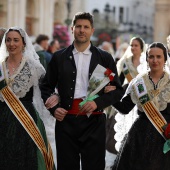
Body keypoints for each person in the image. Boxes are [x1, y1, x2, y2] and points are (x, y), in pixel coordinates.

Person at [40, 12, 123, 170]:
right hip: (66, 122)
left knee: (94, 166)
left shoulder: (105, 58)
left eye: (86, 27)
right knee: (66, 166)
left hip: (94, 121)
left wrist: (97, 103)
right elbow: (45, 87)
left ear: (92, 30)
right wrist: (54, 109)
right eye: (78, 26)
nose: (81, 30)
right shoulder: (59, 57)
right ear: (72, 29)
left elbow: (117, 91)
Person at [0, 26, 56, 170]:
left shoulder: (34, 67)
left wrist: (55, 98)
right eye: (8, 40)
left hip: (26, 120)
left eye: (16, 40)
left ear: (24, 43)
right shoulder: (0, 66)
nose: (11, 44)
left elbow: (47, 89)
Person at [111, 42, 170, 170]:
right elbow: (125, 108)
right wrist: (110, 95)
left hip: (164, 137)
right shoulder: (138, 83)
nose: (155, 60)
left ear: (165, 59)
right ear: (147, 59)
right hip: (139, 138)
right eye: (151, 57)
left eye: (159, 57)